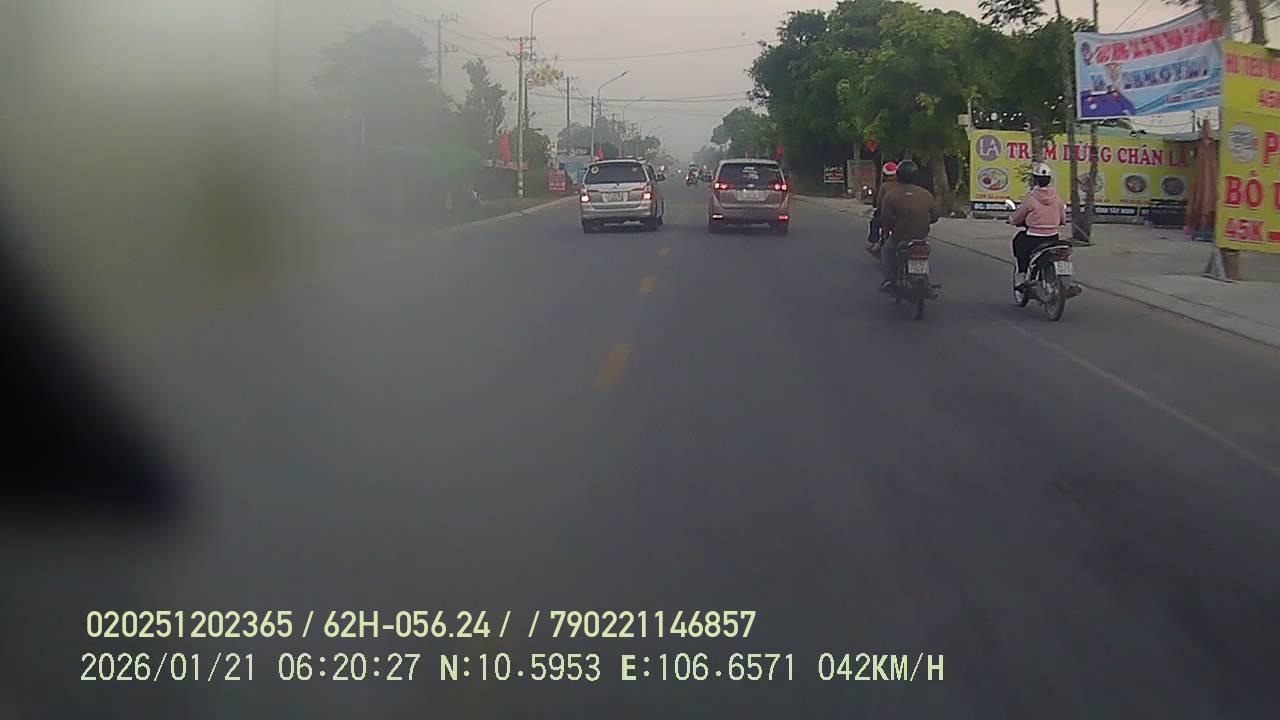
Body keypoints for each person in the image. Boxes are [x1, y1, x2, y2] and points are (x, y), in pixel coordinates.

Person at [879, 160, 939, 291]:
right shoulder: (926, 194)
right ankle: (925, 279)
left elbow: (886, 219)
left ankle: (890, 279)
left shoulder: (891, 195)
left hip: (900, 236)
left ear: (898, 176)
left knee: (886, 250)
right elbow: (935, 216)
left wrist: (890, 228)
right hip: (921, 237)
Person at [1008, 162, 1067, 288]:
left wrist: (1013, 221)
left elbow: (1019, 216)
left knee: (1019, 242)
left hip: (1033, 238)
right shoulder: (1057, 198)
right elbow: (1063, 219)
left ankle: (1022, 274)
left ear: (1035, 180)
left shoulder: (1031, 198)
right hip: (1053, 237)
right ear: (1049, 180)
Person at [866, 162, 898, 247]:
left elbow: (879, 201)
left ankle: (875, 242)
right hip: (902, 216)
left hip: (887, 215)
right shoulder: (902, 185)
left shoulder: (884, 186)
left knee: (874, 222)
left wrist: (878, 207)